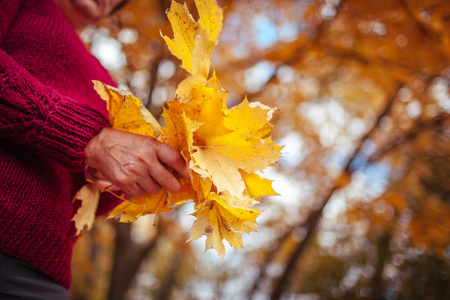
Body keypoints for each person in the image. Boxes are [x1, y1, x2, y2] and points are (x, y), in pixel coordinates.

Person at [0, 0, 188, 298]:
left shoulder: (111, 86)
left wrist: (122, 180)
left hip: (47, 268)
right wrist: (88, 140)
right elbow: (91, 143)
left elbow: (90, 198)